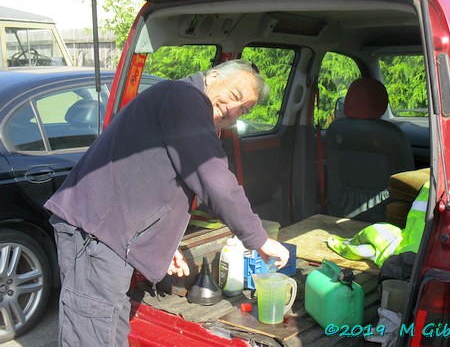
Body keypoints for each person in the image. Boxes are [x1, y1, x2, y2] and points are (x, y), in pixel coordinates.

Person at [44, 59, 290, 346]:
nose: (234, 111)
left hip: (109, 237)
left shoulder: (185, 105)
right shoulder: (184, 97)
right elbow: (212, 176)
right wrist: (259, 238)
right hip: (95, 235)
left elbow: (146, 178)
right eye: (236, 96)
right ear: (212, 76)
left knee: (108, 329)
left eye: (244, 110)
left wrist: (157, 241)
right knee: (91, 335)